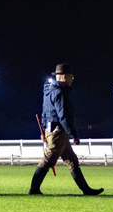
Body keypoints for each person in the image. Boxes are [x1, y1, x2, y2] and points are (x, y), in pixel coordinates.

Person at [29, 63, 103, 196]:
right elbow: (64, 116)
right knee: (48, 160)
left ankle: (86, 190)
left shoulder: (49, 91)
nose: (71, 80)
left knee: (72, 160)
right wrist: (73, 134)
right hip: (59, 132)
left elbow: (44, 113)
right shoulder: (60, 93)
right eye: (71, 77)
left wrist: (45, 131)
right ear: (63, 77)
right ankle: (33, 189)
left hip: (52, 130)